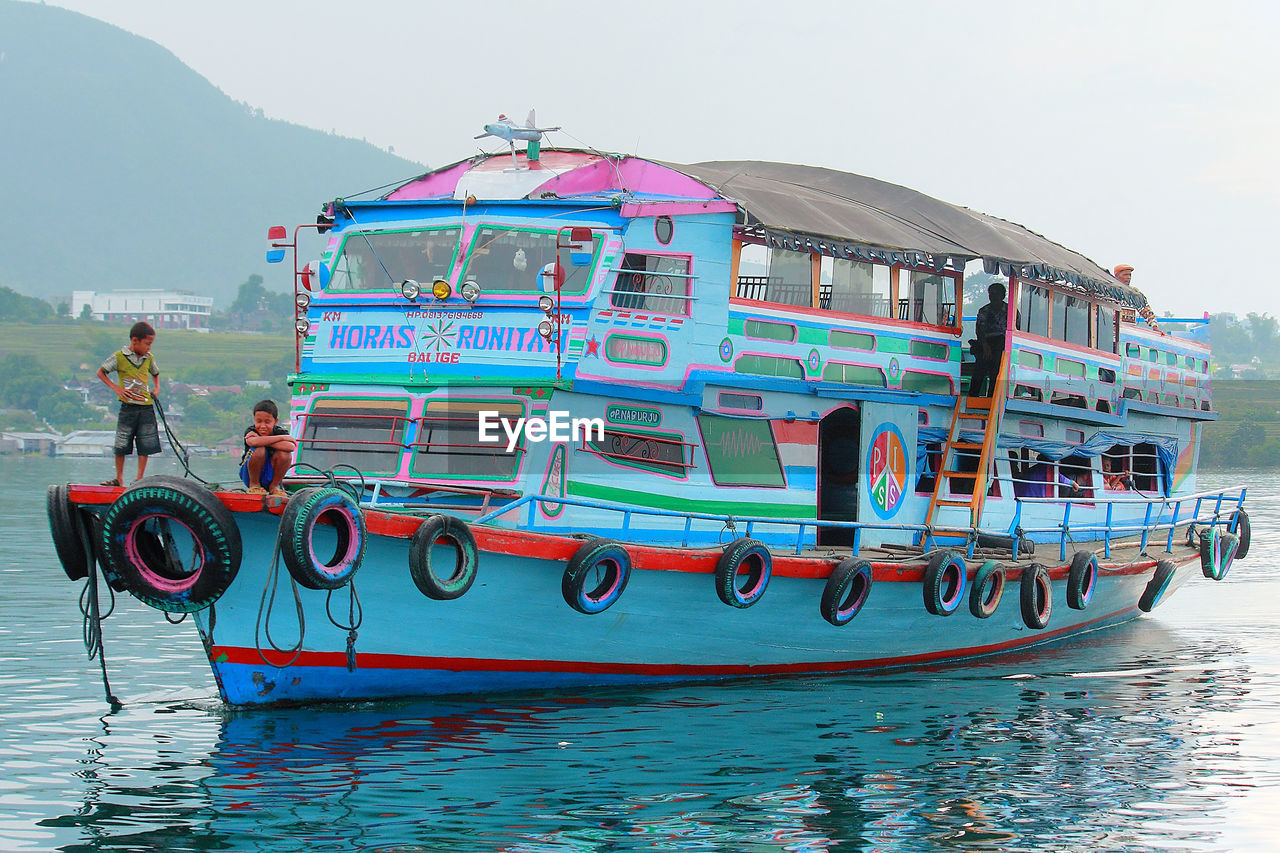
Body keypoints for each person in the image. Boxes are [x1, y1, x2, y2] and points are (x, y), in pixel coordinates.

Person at [96, 321, 160, 486]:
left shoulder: (148, 358)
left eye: (151, 344)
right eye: (147, 344)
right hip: (128, 406)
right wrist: (116, 388)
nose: (149, 348)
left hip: (145, 406)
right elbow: (101, 372)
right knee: (122, 442)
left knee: (145, 442)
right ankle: (119, 478)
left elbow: (156, 373)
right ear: (134, 341)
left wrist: (156, 388)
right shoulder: (119, 357)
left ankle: (139, 478)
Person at [240, 399, 296, 496]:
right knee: (259, 449)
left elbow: (290, 447)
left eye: (267, 422)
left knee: (285, 454)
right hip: (249, 475)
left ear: (275, 421)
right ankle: (255, 485)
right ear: (254, 420)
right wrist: (282, 439)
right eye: (259, 421)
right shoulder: (251, 430)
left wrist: (263, 440)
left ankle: (274, 486)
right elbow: (252, 441)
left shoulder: (280, 431)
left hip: (271, 473)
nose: (262, 426)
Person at [971, 282, 1010, 396]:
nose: (993, 296)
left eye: (996, 294)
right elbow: (979, 330)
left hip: (1002, 344)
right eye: (991, 294)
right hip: (986, 343)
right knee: (980, 367)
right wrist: (984, 345)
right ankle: (973, 395)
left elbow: (1016, 329)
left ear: (1002, 295)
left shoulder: (1010, 311)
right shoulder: (984, 311)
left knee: (997, 367)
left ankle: (993, 396)